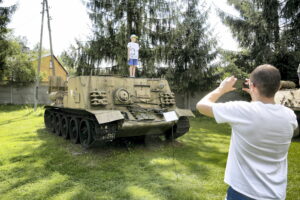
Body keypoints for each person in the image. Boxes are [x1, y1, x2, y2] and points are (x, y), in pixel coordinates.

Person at [196, 64, 298, 200]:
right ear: (279, 87)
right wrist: (254, 93)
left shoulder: (242, 111)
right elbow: (264, 113)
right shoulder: (289, 116)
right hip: (276, 194)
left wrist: (221, 89)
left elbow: (201, 106)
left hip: (243, 193)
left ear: (253, 86)